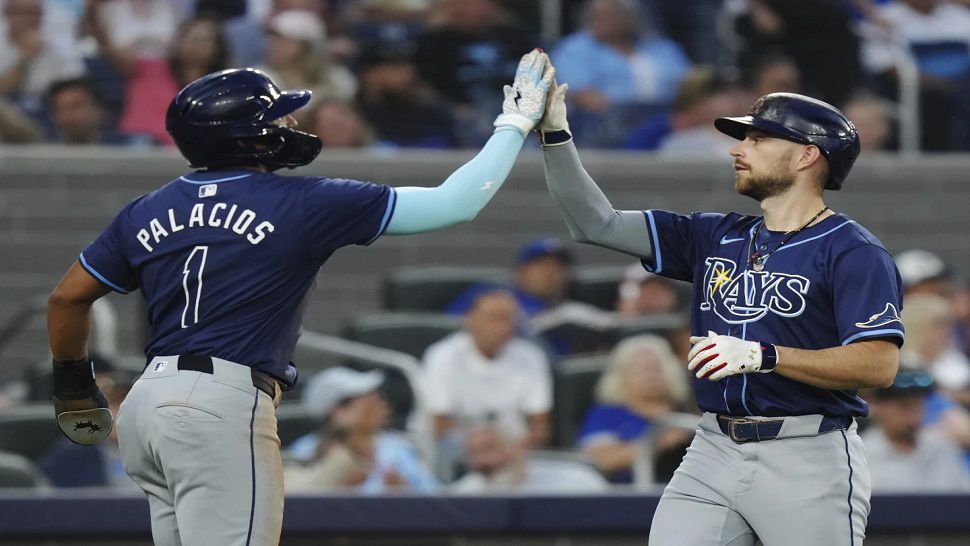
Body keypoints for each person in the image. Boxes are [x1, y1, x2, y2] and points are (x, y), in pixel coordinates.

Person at [45, 51, 552, 546]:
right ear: (245, 135)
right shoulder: (304, 201)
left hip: (147, 405)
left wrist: (72, 383)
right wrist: (514, 122)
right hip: (219, 401)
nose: (289, 120)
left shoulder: (144, 209)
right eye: (274, 113)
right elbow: (456, 203)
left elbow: (67, 299)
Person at [537, 58, 903, 544]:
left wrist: (762, 356)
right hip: (713, 446)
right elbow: (594, 223)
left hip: (808, 455)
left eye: (758, 139)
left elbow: (878, 365)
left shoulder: (853, 251)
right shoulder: (714, 234)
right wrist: (557, 137)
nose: (739, 149)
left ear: (807, 156)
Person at [423, 290, 552, 457]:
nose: (504, 327)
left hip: (514, 455)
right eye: (495, 319)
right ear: (469, 320)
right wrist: (485, 452)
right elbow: (440, 426)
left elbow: (540, 424)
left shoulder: (531, 356)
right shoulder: (442, 356)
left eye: (510, 319)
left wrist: (517, 450)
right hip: (454, 455)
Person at [284, 367, 437, 493]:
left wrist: (403, 493)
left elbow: (435, 498)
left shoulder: (397, 448)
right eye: (369, 402)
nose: (382, 407)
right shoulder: (305, 448)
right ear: (338, 410)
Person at [576, 335, 692, 484]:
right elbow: (602, 461)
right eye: (640, 369)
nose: (650, 375)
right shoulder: (606, 415)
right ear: (620, 377)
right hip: (629, 494)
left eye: (656, 368)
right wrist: (660, 442)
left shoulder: (689, 411)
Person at [861, 369, 970, 492]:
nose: (913, 416)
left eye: (917, 405)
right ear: (880, 408)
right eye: (904, 406)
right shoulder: (862, 454)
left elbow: (963, 499)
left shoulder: (943, 447)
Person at [449, 423, 609, 494]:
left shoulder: (578, 481)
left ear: (518, 446)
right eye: (473, 452)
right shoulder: (461, 496)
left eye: (489, 448)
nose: (482, 460)